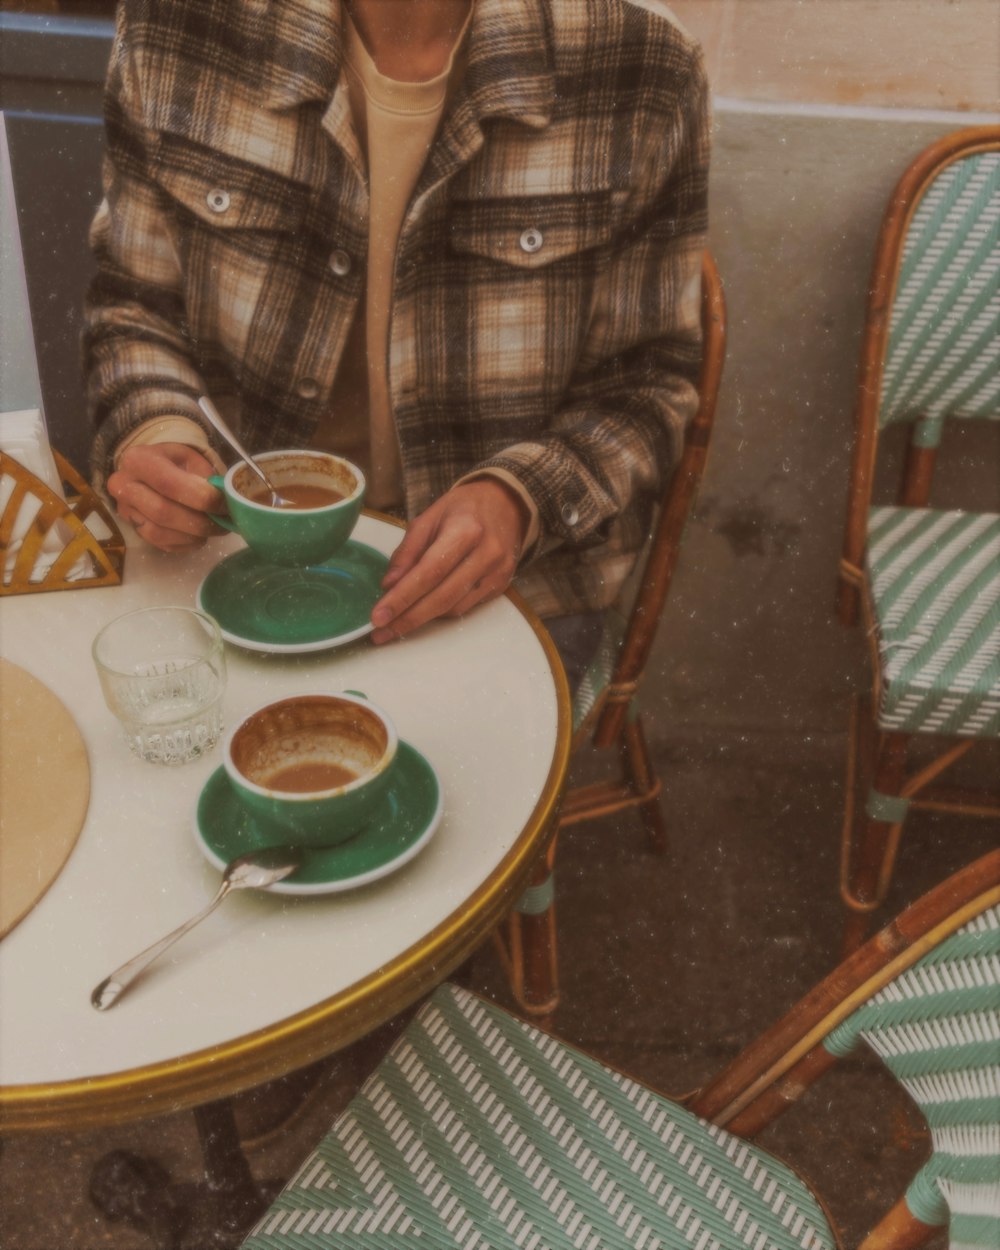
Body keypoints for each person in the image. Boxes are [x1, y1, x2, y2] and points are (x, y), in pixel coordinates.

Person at [85, 0, 709, 685]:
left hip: (511, 591)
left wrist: (522, 497)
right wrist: (157, 426)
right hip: (224, 561)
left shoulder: (641, 61)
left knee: (443, 789)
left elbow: (649, 380)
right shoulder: (179, 21)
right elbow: (132, 304)